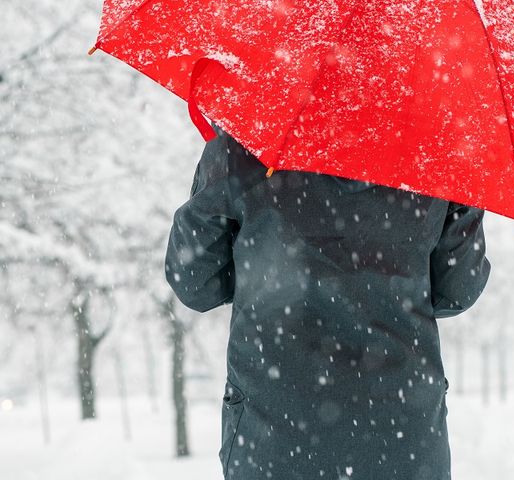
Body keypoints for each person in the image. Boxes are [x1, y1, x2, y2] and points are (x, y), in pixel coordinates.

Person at [165, 127, 490, 480]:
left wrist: (219, 162)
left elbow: (196, 283)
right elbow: (455, 291)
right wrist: (463, 195)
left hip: (273, 432)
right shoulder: (437, 149)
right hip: (403, 435)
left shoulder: (249, 140)